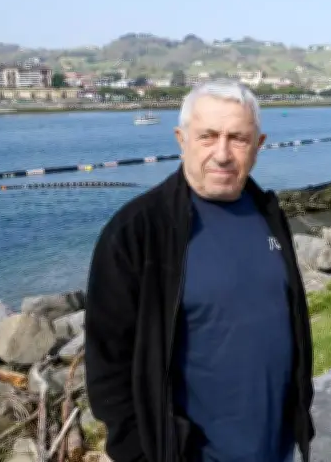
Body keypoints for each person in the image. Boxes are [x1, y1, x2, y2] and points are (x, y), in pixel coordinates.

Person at [84, 80, 315, 462]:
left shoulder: (268, 214)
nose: (222, 154)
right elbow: (108, 364)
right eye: (207, 136)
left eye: (237, 139)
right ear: (181, 139)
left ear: (258, 145)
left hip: (277, 448)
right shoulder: (138, 231)